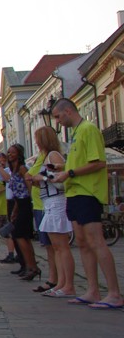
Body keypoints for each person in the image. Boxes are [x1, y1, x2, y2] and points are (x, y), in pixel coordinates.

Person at [51, 98, 123, 308]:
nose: (57, 121)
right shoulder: (75, 134)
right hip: (74, 192)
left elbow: (98, 162)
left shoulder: (89, 130)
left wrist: (69, 172)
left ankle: (114, 293)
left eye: (57, 116)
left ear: (68, 111)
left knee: (96, 241)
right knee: (82, 242)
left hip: (87, 192)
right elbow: (79, 162)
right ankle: (92, 290)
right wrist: (63, 170)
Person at [28, 125, 75, 298]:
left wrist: (42, 177)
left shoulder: (53, 155)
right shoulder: (44, 156)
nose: (36, 142)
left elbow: (61, 178)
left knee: (61, 247)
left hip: (56, 200)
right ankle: (61, 283)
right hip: (48, 201)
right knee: (57, 247)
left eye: (38, 139)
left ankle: (67, 284)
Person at [6, 143, 40, 281]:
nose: (9, 155)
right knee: (22, 236)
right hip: (19, 204)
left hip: (25, 203)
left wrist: (31, 202)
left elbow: (29, 185)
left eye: (12, 152)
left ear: (19, 154)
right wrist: (15, 210)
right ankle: (30, 267)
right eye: (8, 152)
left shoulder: (22, 168)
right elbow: (16, 193)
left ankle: (32, 266)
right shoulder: (13, 170)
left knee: (20, 235)